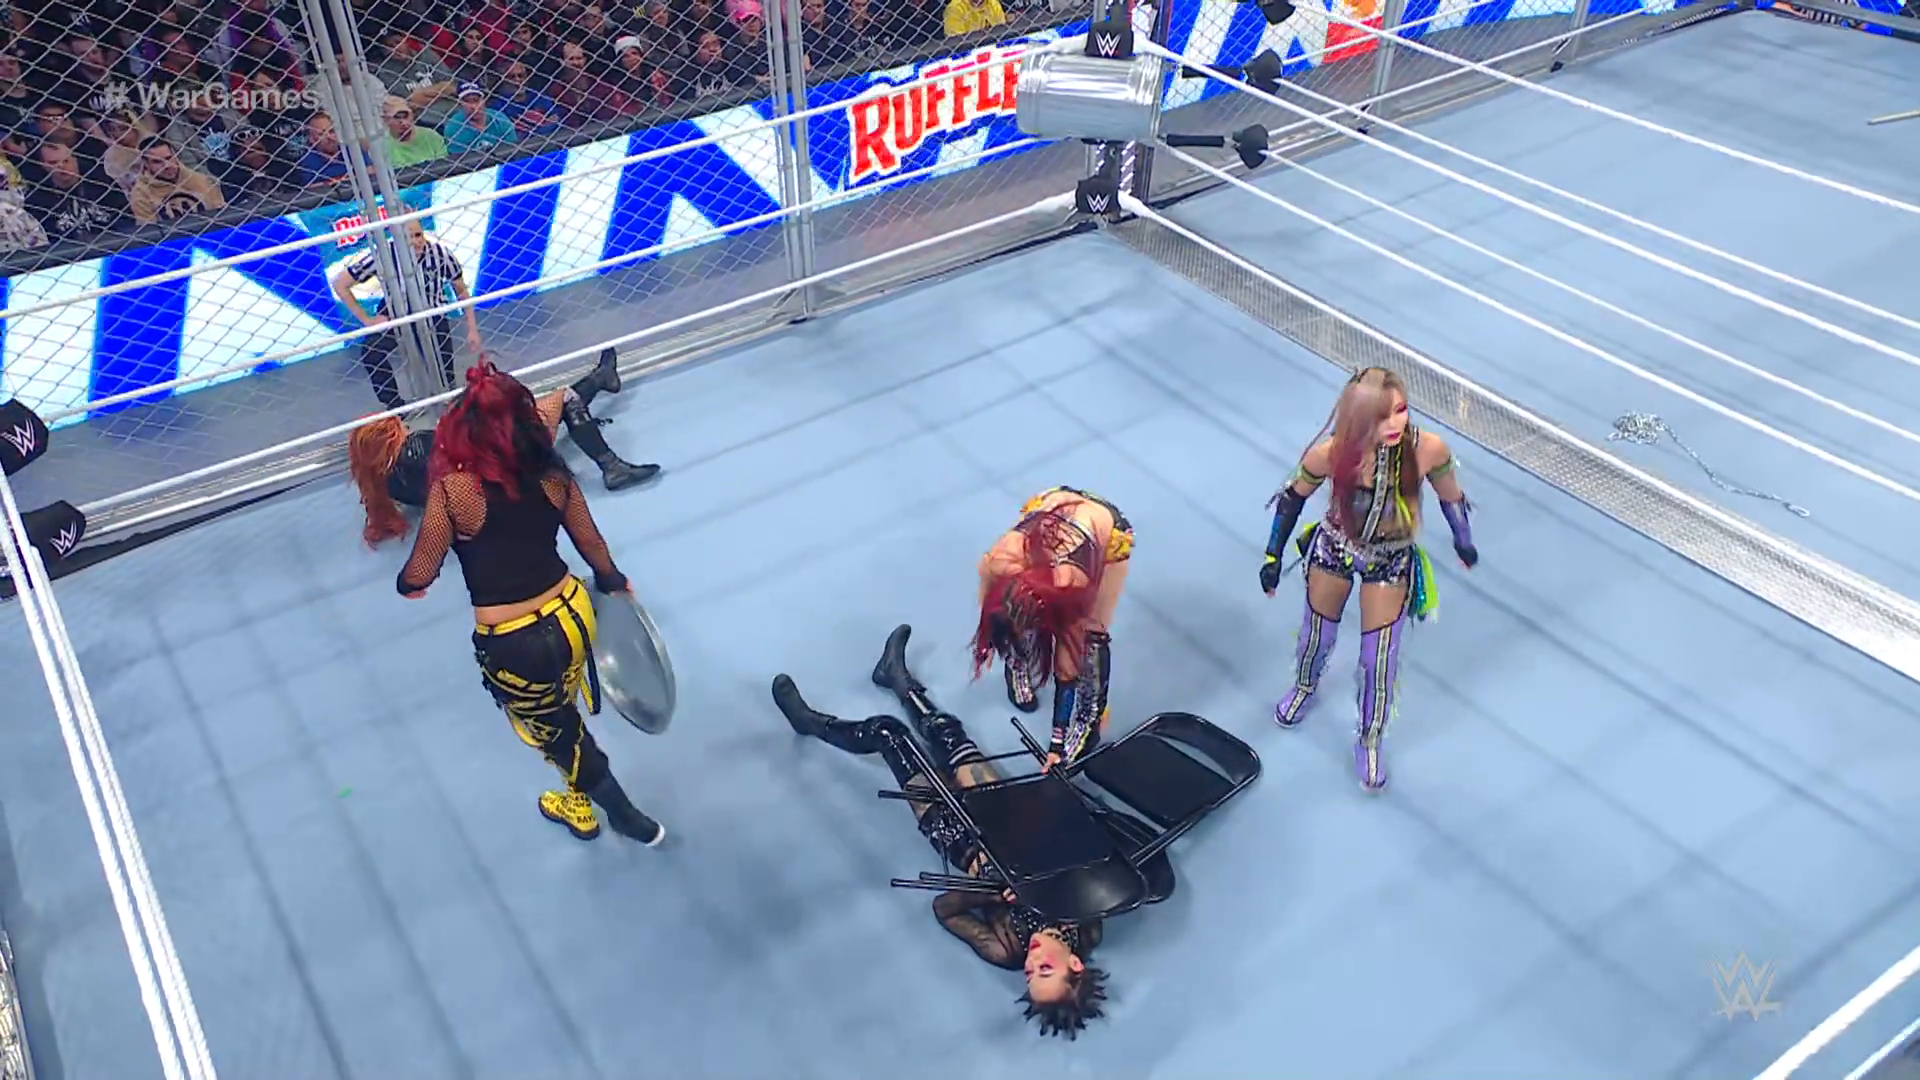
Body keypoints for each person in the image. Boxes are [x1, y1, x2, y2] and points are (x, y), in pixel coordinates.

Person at [773, 625, 1110, 1040]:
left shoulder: (1004, 950)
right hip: (1003, 812)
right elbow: (1081, 859)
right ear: (1075, 964)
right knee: (948, 734)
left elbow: (945, 909)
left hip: (957, 835)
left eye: (1029, 975)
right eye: (1045, 970)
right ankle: (896, 678)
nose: (1030, 963)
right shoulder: (1087, 926)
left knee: (889, 735)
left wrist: (990, 894)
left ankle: (811, 723)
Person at [394, 360, 667, 846]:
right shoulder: (552, 472)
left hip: (513, 642)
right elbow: (591, 543)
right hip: (573, 614)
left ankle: (619, 814)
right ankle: (579, 799)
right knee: (562, 708)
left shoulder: (453, 490)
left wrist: (408, 585)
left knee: (557, 732)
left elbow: (420, 572)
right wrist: (614, 581)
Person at [1259, 367, 1478, 793]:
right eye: (1380, 416)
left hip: (1391, 559)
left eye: (1400, 410)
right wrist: (1273, 554)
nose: (1394, 423)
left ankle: (1370, 737)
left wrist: (1463, 540)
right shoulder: (1332, 453)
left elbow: (1452, 496)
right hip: (1335, 548)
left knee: (1379, 658)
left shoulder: (1428, 449)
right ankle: (1304, 686)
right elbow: (1292, 499)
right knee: (1317, 633)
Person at [349, 348, 660, 546]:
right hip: (504, 472)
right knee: (564, 399)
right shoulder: (419, 444)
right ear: (390, 436)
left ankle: (602, 377)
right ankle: (612, 466)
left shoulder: (382, 483)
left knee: (548, 406)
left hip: (480, 505)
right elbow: (467, 457)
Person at [972, 487, 1134, 772]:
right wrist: (990, 637)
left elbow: (1066, 668)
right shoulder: (1001, 559)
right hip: (1057, 504)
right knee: (1010, 612)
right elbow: (989, 591)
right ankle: (1017, 663)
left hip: (1103, 529)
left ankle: (1088, 720)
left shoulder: (1072, 582)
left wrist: (1056, 745)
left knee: (1092, 635)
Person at [330, 217, 479, 410]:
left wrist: (472, 329)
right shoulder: (384, 256)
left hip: (431, 311)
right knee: (372, 352)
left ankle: (447, 397)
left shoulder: (440, 253)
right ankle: (395, 406)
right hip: (395, 312)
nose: (416, 242)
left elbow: (461, 291)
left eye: (418, 235)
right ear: (398, 239)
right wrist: (367, 320)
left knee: (444, 370)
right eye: (409, 238)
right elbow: (340, 284)